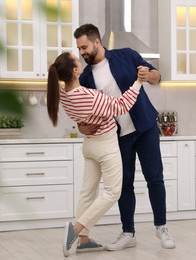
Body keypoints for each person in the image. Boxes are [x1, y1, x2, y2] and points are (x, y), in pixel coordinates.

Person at [73, 23, 175, 250]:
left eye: (85, 47)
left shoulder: (126, 55)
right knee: (123, 184)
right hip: (117, 137)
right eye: (79, 49)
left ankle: (162, 228)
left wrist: (149, 75)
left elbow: (158, 77)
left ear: (97, 41)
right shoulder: (86, 78)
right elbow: (83, 114)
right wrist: (82, 128)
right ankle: (128, 233)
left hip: (146, 127)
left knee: (154, 178)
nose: (82, 53)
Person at [46, 52, 145, 257]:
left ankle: (83, 241)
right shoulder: (86, 95)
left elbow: (85, 119)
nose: (81, 60)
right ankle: (76, 230)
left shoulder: (64, 94)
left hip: (90, 145)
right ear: (75, 70)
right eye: (77, 59)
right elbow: (121, 106)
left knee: (87, 192)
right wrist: (138, 83)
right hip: (105, 145)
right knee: (112, 191)